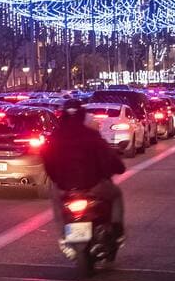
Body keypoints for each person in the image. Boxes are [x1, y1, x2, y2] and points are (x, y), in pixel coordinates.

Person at [42, 98, 126, 244]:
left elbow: (47, 161)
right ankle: (117, 231)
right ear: (82, 115)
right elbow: (108, 156)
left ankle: (63, 234)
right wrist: (118, 168)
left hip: (64, 187)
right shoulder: (91, 135)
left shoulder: (55, 137)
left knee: (56, 200)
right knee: (116, 195)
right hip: (93, 185)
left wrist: (57, 179)